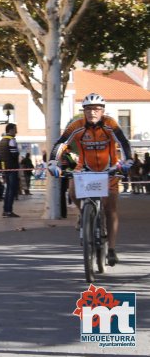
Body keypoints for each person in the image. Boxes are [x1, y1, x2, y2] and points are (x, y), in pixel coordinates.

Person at [47, 93, 132, 266]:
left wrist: (127, 161)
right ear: (84, 111)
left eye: (96, 109)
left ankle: (112, 250)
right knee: (72, 190)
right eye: (88, 109)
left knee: (110, 208)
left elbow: (123, 142)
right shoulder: (77, 126)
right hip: (85, 167)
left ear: (102, 111)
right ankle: (83, 213)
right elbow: (61, 143)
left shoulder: (110, 124)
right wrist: (53, 163)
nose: (92, 112)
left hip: (110, 169)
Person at [0, 123, 20, 218]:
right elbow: (15, 154)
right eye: (15, 129)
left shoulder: (2, 141)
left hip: (5, 168)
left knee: (8, 189)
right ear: (10, 130)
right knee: (11, 190)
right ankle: (9, 211)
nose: (16, 132)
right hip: (12, 168)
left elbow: (0, 156)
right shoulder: (11, 140)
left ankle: (5, 210)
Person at [59, 145, 77, 218]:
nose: (69, 151)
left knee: (62, 194)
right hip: (65, 176)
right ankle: (63, 213)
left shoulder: (61, 156)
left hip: (62, 176)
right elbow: (73, 164)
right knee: (66, 192)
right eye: (69, 149)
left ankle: (63, 213)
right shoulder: (66, 156)